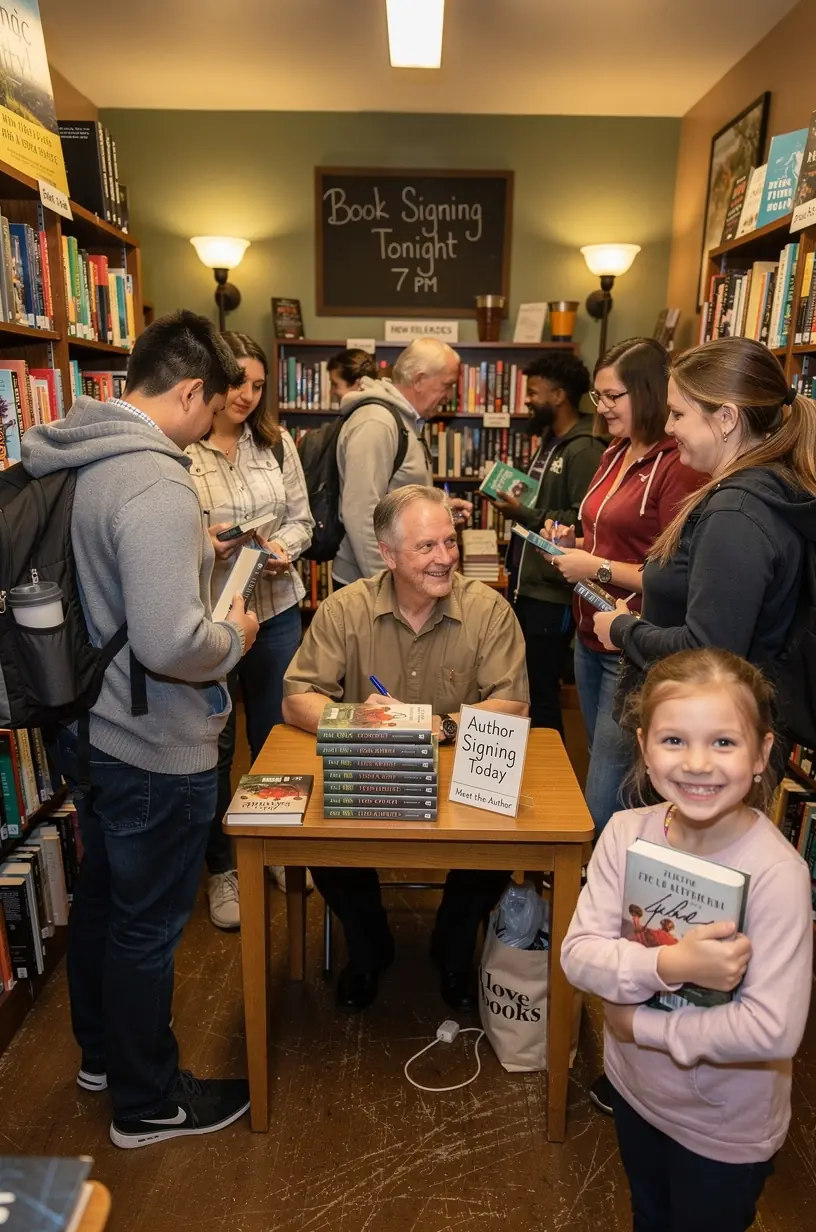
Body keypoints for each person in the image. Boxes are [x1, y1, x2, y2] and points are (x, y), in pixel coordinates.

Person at [22, 311, 260, 1149]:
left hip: (88, 725)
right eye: (215, 404)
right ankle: (148, 1100)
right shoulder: (156, 482)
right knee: (149, 926)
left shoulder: (80, 451)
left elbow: (107, 580)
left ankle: (102, 1057)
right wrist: (234, 635)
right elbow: (172, 645)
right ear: (191, 391)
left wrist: (191, 555)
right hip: (152, 739)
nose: (212, 422)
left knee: (104, 902)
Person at [561, 647, 812, 1232]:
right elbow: (578, 955)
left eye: (724, 742)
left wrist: (640, 1026)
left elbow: (773, 1027)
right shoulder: (624, 833)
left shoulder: (778, 873)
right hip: (634, 1090)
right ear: (644, 747)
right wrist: (672, 964)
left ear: (761, 754)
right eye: (674, 740)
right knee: (648, 1213)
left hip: (723, 1129)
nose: (698, 763)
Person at [282, 485, 529, 1013]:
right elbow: (297, 699)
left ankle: (454, 947)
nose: (445, 557)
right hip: (370, 773)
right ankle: (370, 946)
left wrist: (437, 726)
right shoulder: (344, 609)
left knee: (499, 844)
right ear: (388, 555)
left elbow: (512, 705)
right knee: (322, 841)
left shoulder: (489, 610)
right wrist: (364, 722)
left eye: (450, 541)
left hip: (459, 779)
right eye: (426, 546)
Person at [595, 338, 816, 764]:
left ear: (727, 418)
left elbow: (708, 649)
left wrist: (623, 630)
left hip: (708, 743)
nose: (668, 427)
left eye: (678, 414)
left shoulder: (736, 512)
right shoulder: (766, 489)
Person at [542, 339, 700, 832]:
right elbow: (609, 535)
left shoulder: (678, 466)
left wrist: (592, 566)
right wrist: (572, 543)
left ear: (648, 392)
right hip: (591, 634)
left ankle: (596, 874)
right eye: (599, 396)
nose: (603, 407)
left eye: (614, 396)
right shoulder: (614, 451)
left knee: (605, 794)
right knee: (602, 766)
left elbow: (675, 576)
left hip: (632, 644)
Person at [186, 333, 315, 929]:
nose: (247, 395)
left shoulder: (277, 442)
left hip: (276, 609)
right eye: (238, 381)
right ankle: (224, 868)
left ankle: (277, 844)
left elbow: (302, 521)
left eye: (259, 386)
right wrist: (208, 545)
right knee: (215, 744)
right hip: (211, 617)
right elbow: (175, 535)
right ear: (212, 376)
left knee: (276, 737)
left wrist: (283, 548)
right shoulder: (183, 448)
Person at [492, 351, 604, 732]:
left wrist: (522, 513)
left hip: (552, 593)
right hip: (528, 585)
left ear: (558, 396)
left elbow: (581, 519)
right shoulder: (550, 441)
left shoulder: (584, 449)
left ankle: (549, 762)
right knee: (524, 687)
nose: (527, 400)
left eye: (534, 392)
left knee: (542, 692)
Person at [332, 337, 471, 587]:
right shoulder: (377, 423)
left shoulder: (405, 420)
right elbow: (361, 513)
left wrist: (441, 511)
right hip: (370, 583)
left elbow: (395, 497)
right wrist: (385, 585)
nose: (449, 396)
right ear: (419, 380)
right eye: (447, 385)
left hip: (402, 578)